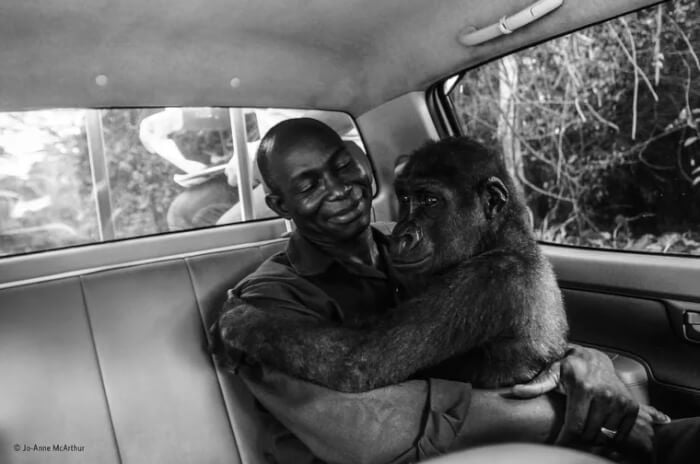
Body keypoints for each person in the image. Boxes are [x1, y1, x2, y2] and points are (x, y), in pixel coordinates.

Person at [211, 118, 693, 464]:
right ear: (279, 203)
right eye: (310, 184)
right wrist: (571, 413)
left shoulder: (431, 251)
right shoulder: (266, 301)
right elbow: (365, 430)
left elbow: (499, 340)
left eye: (343, 166)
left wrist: (583, 361)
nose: (341, 189)